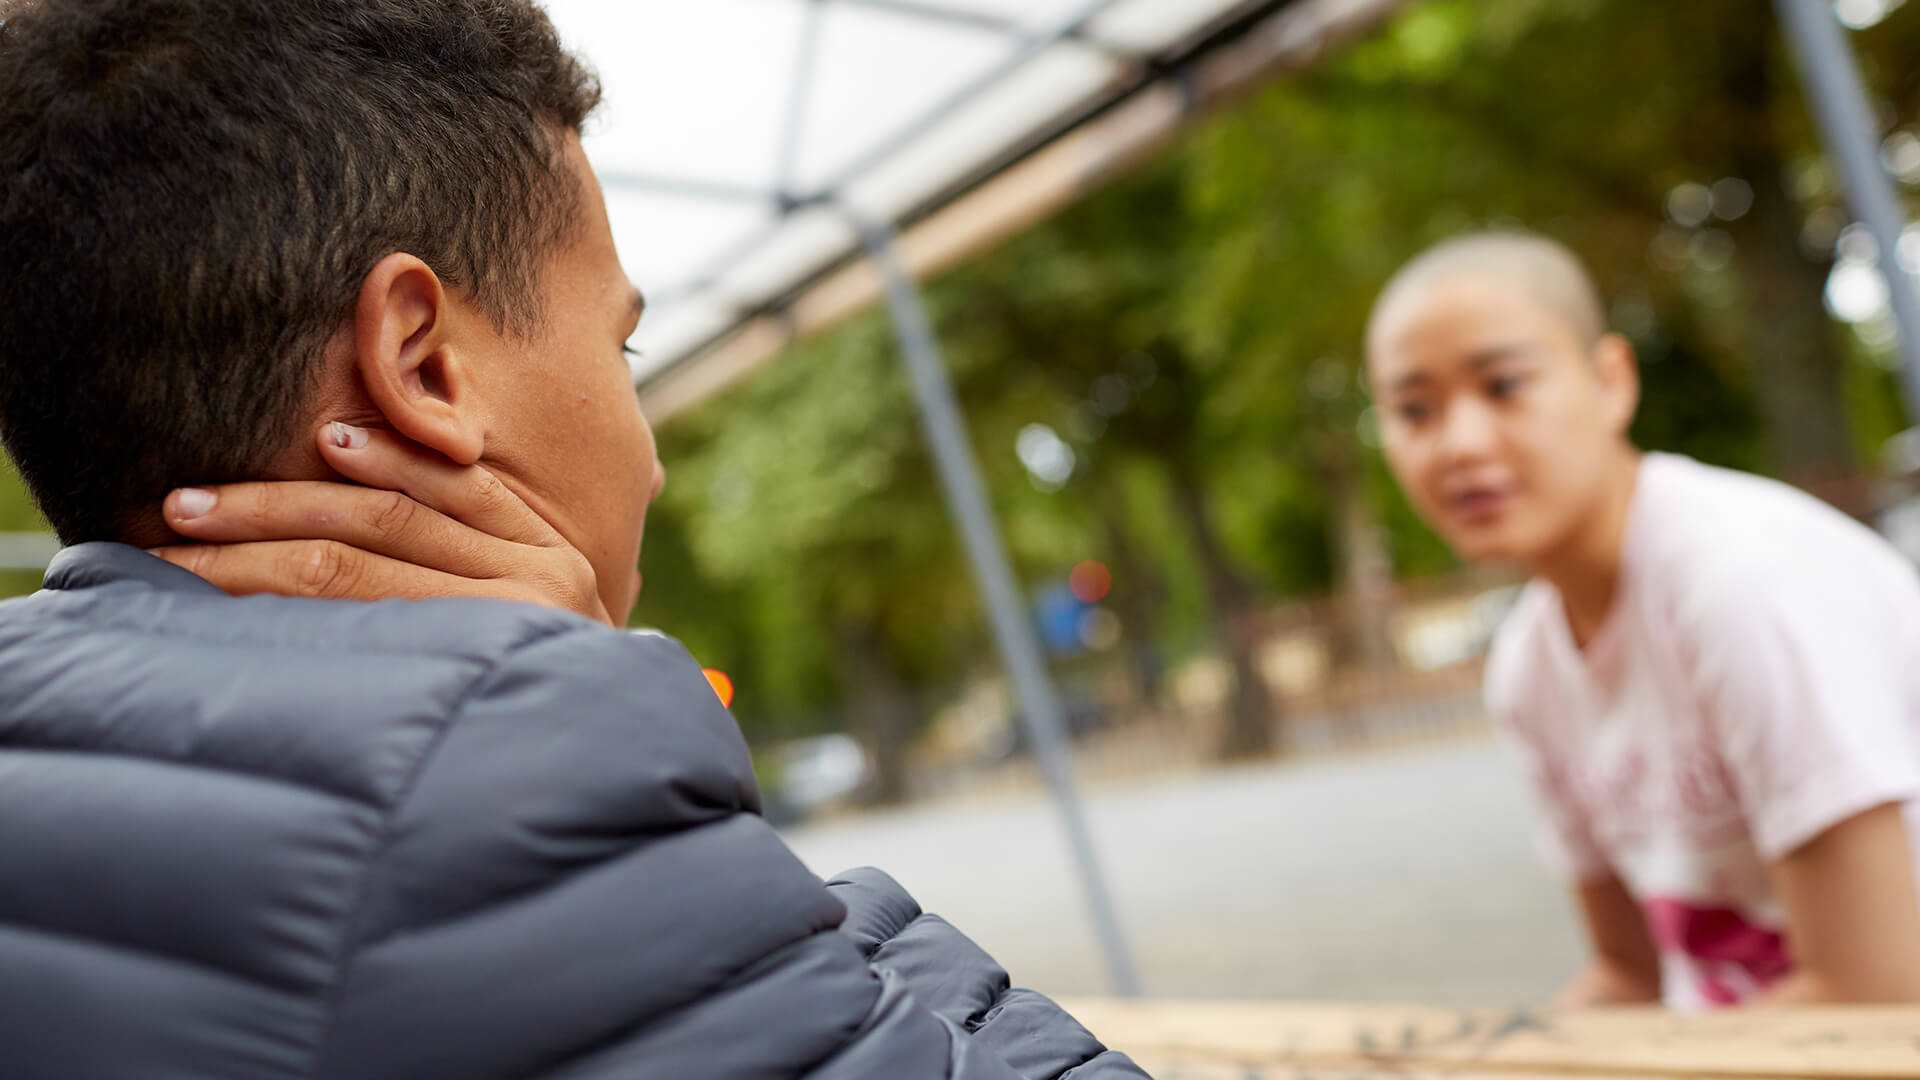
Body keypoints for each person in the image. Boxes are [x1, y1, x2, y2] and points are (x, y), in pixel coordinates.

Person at [0, 2, 1146, 1076]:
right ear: (424, 369)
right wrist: (566, 696)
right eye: (622, 349)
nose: (649, 460)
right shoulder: (494, 776)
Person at [1365, 231, 1920, 1009]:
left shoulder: (1745, 583)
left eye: (1503, 385)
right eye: (1414, 410)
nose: (1460, 442)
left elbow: (1877, 995)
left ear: (1611, 381)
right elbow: (1630, 973)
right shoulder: (1528, 666)